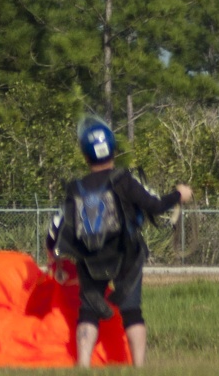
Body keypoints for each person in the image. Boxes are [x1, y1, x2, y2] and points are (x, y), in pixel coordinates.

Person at [46, 117, 192, 368]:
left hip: (90, 260)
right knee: (132, 311)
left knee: (89, 311)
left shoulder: (76, 188)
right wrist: (179, 195)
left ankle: (83, 366)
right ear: (112, 149)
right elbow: (155, 206)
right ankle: (138, 367)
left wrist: (55, 259)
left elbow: (59, 228)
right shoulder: (123, 179)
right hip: (126, 256)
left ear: (85, 155)